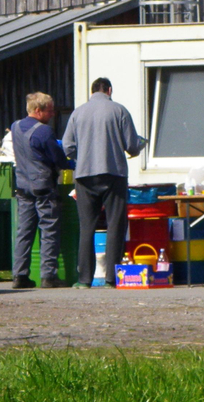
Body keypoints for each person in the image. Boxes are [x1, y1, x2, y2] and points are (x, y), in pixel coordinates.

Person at [63, 77, 146, 289]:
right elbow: (132, 146)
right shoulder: (119, 110)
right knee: (115, 225)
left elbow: (67, 146)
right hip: (114, 174)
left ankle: (84, 280)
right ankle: (112, 279)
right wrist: (139, 145)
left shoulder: (77, 113)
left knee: (86, 227)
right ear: (109, 90)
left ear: (92, 92)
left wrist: (83, 156)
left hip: (84, 176)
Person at [11, 92, 73, 289]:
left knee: (24, 231)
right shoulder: (44, 131)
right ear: (38, 111)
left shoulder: (15, 126)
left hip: (22, 186)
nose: (53, 114)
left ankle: (19, 275)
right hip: (43, 186)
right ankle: (48, 276)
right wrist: (72, 163)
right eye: (50, 111)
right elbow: (58, 159)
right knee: (49, 230)